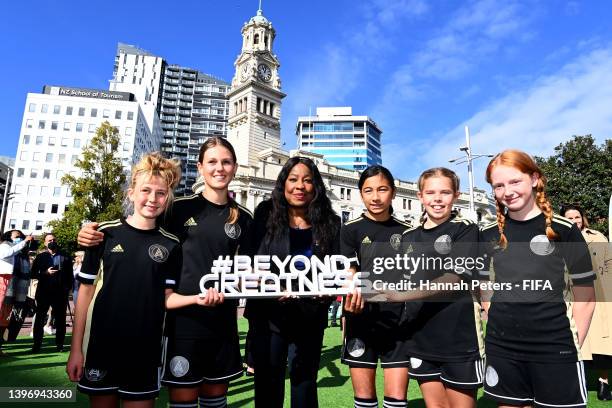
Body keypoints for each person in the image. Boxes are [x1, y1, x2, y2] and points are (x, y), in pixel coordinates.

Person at [78, 137, 252, 408]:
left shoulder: (243, 217)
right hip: (178, 322)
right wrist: (88, 233)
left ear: (235, 167)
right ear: (200, 167)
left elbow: (250, 268)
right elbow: (137, 229)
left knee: (216, 400)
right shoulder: (176, 208)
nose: (220, 168)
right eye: (212, 162)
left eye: (226, 162)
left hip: (222, 323)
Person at [480, 150, 596, 408]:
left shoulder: (564, 230)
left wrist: (573, 342)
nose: (507, 191)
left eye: (514, 181)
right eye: (498, 185)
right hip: (503, 347)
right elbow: (483, 286)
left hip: (555, 346)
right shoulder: (487, 234)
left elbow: (586, 296)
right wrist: (495, 313)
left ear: (534, 179)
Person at [66, 152, 181, 407]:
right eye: (145, 190)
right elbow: (84, 294)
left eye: (161, 193)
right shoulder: (103, 235)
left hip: (145, 351)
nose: (152, 198)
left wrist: (202, 297)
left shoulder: (171, 244)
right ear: (131, 193)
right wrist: (76, 349)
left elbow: (167, 298)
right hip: (101, 347)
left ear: (168, 197)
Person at [245, 156, 340, 408]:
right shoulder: (265, 214)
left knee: (304, 382)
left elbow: (335, 267)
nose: (300, 186)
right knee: (268, 382)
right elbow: (252, 259)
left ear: (316, 187)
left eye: (307, 181)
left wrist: (327, 290)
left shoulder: (330, 222)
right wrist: (270, 285)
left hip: (310, 314)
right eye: (293, 179)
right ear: (283, 183)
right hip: (269, 314)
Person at [396, 167, 483, 408]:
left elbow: (454, 278)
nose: (437, 198)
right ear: (420, 196)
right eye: (430, 192)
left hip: (458, 336)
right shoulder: (408, 236)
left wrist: (400, 294)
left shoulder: (466, 229)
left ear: (456, 195)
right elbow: (402, 277)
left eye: (445, 192)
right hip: (420, 336)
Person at [339, 165, 412, 408]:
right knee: (364, 400)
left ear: (393, 192)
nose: (375, 196)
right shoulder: (349, 230)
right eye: (368, 190)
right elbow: (349, 273)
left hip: (399, 321)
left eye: (382, 189)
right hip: (361, 318)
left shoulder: (408, 232)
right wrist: (352, 294)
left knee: (396, 400)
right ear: (361, 193)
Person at [562, 203, 612, 401]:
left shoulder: (598, 237)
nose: (574, 221)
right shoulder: (559, 240)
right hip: (572, 293)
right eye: (569, 218)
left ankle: (604, 383)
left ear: (583, 218)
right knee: (576, 340)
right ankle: (577, 380)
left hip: (600, 294)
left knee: (603, 342)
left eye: (577, 217)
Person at [30, 233, 73, 353]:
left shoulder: (65, 256)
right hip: (44, 292)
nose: (52, 241)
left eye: (54, 239)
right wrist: (45, 273)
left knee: (60, 320)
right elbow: (33, 274)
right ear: (45, 243)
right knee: (40, 319)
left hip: (60, 293)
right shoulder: (40, 257)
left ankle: (60, 345)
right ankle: (37, 345)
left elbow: (70, 275)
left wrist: (67, 289)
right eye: (49, 240)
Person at [0, 230, 33, 355]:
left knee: (5, 319)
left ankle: (2, 342)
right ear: (8, 237)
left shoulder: (23, 254)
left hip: (17, 291)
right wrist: (24, 242)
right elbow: (7, 254)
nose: (20, 238)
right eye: (17, 236)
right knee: (2, 316)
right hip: (6, 287)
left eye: (21, 237)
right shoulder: (6, 247)